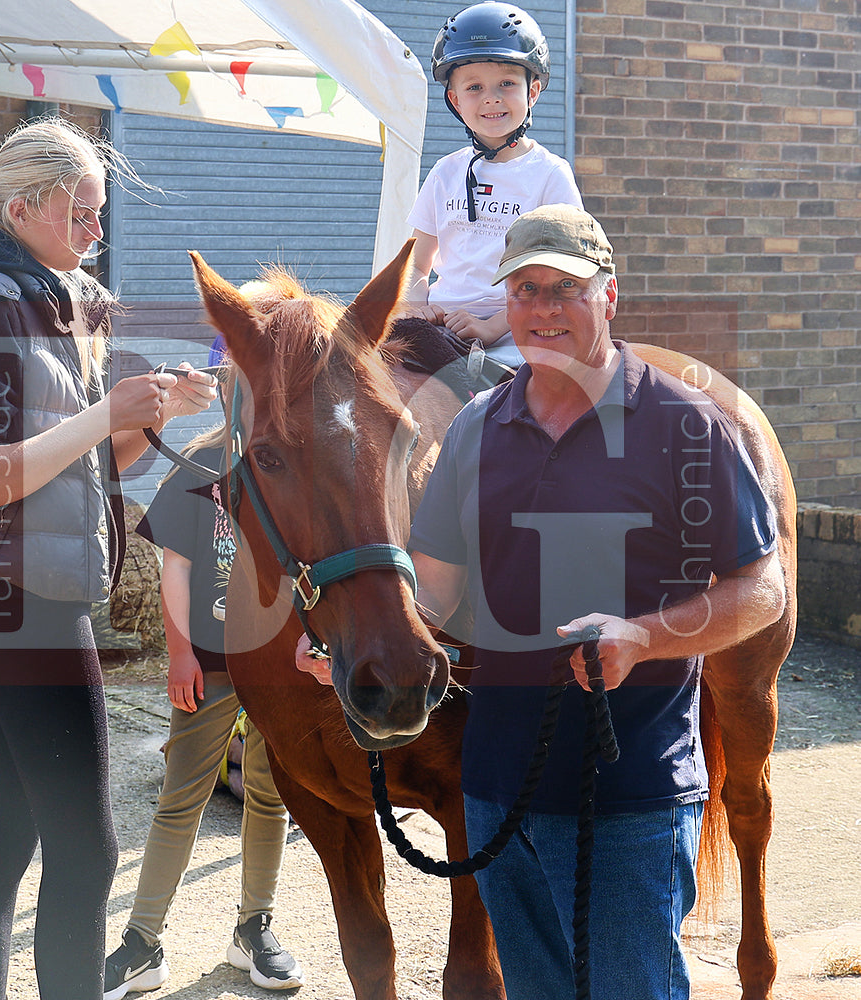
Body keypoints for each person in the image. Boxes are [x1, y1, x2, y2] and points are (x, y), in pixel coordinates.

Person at [300, 205, 785, 999]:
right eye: (526, 290)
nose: (544, 308)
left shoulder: (684, 424)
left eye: (567, 288)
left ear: (610, 295)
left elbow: (760, 590)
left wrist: (643, 635)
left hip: (628, 798)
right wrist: (350, 640)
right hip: (498, 790)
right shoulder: (477, 428)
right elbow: (438, 587)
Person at [0, 117, 217, 999]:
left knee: (4, 830)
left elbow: (82, 465)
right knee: (87, 843)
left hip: (29, 585)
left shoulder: (51, 296)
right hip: (9, 593)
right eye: (82, 212)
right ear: (23, 205)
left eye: (99, 213)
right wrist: (103, 414)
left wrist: (151, 418)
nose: (97, 232)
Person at [104, 408, 303, 1000]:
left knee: (270, 796)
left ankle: (254, 928)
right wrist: (181, 653)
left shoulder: (301, 459)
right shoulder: (198, 466)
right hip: (210, 663)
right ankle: (142, 944)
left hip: (281, 663)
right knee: (180, 797)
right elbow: (177, 567)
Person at [406, 2, 583, 369]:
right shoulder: (444, 173)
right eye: (474, 87)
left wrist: (490, 328)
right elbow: (416, 265)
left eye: (506, 83)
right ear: (455, 99)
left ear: (532, 92)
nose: (491, 97)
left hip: (521, 335)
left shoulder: (550, 175)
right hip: (443, 329)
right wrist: (415, 308)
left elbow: (564, 275)